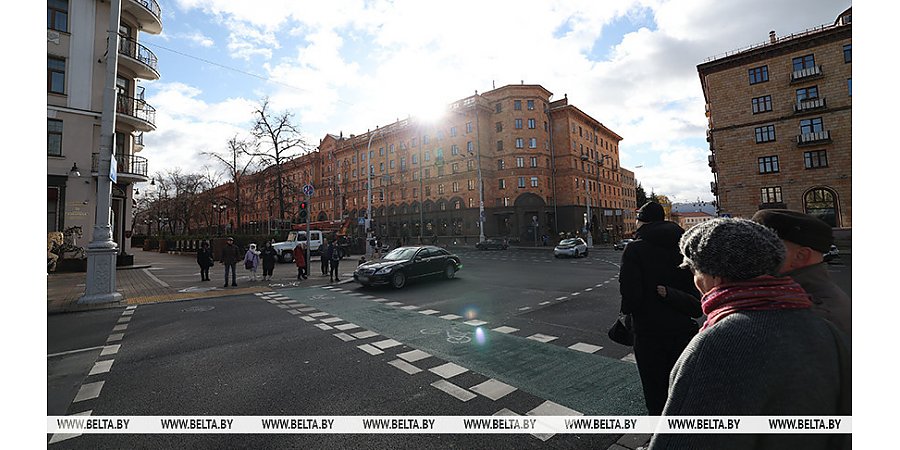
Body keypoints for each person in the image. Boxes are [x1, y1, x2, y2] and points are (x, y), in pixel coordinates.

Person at [649, 218, 850, 450]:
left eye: (695, 271)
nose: (695, 282)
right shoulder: (823, 326)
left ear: (716, 277)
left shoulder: (719, 343)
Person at [618, 201, 701, 416]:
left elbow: (630, 294)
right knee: (681, 386)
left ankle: (660, 436)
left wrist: (628, 313)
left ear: (641, 221)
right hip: (683, 327)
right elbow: (696, 289)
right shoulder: (684, 246)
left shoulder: (635, 249)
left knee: (655, 389)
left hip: (649, 331)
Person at [751, 209, 852, 338]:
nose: (753, 254)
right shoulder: (795, 297)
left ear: (801, 256)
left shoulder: (809, 314)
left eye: (765, 247)